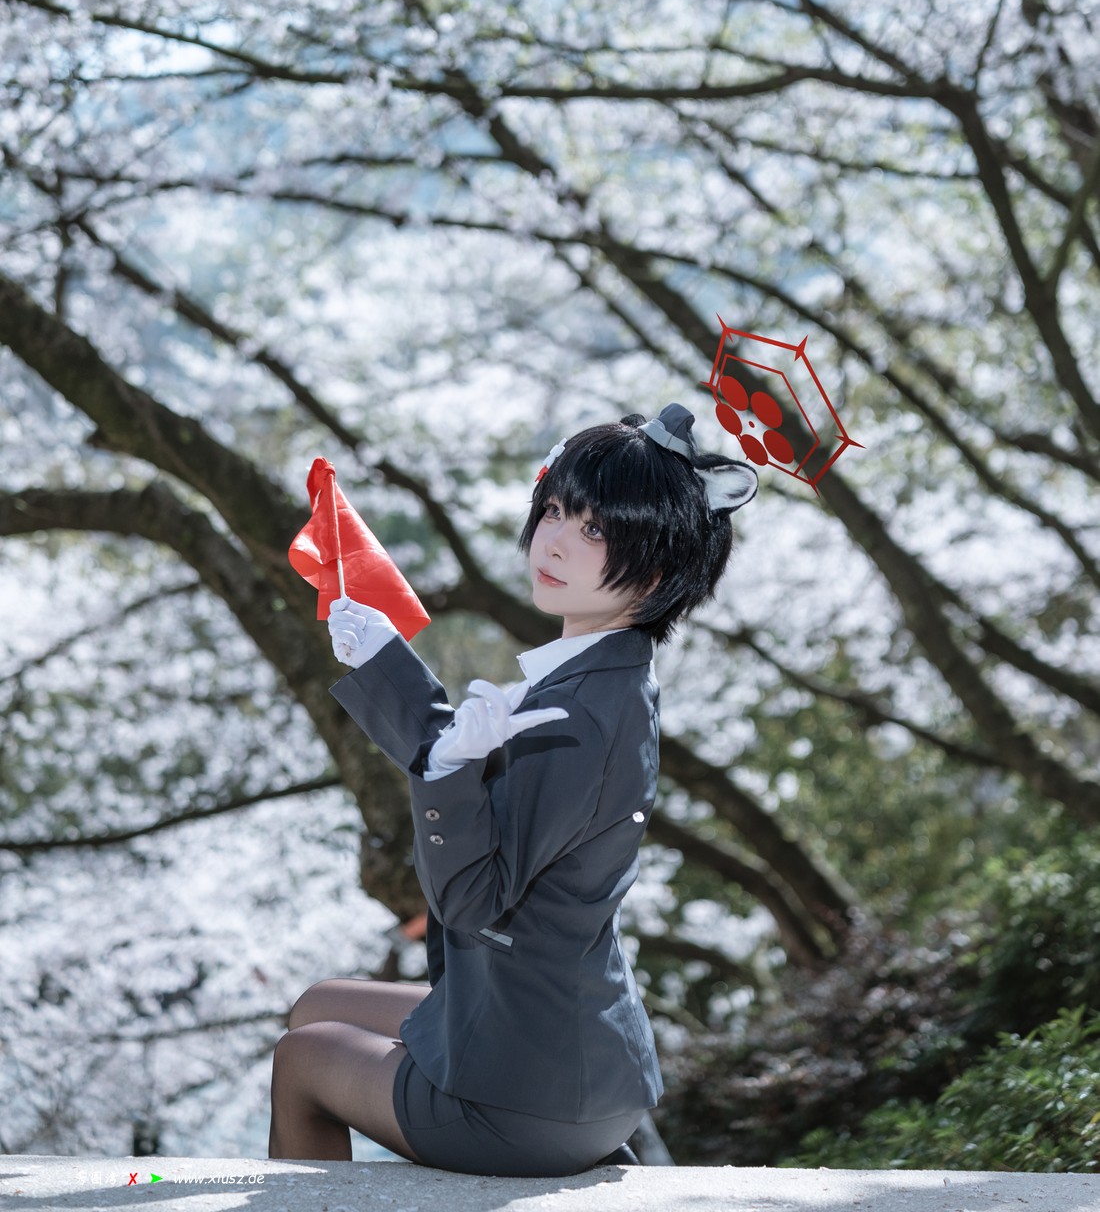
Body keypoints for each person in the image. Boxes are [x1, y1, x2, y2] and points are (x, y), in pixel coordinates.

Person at [268, 404, 757, 1175]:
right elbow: (463, 756)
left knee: (303, 1058)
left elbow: (471, 899)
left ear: (655, 573)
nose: (553, 540)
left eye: (595, 530)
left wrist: (447, 772)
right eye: (555, 509)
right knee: (316, 1005)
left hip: (529, 1094)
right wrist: (383, 659)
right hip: (548, 1032)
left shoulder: (582, 716)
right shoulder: (599, 678)